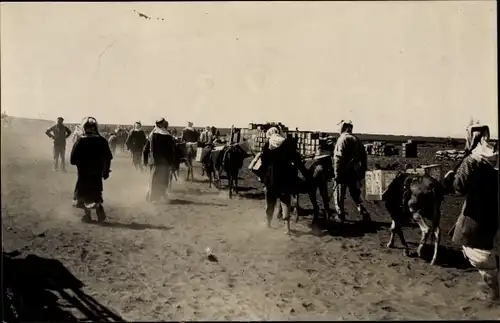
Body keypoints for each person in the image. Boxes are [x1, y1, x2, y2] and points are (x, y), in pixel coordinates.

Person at [444, 124, 499, 302]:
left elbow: (458, 187)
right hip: (493, 210)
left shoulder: (473, 160)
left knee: (478, 253)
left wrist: (450, 176)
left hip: (477, 216)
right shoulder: (493, 156)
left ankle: (494, 294)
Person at [260, 127, 312, 234]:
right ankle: (287, 228)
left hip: (271, 179)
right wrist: (307, 175)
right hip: (285, 178)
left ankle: (268, 224)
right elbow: (298, 162)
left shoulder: (267, 145)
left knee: (270, 202)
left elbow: (263, 162)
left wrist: (263, 177)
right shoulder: (286, 144)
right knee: (285, 202)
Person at [70, 117, 112, 222]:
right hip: (97, 172)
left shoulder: (80, 141)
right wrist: (106, 171)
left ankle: (87, 215)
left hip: (83, 173)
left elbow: (72, 160)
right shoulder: (102, 141)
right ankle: (98, 210)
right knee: (96, 191)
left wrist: (81, 163)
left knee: (84, 194)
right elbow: (108, 157)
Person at [332, 120, 371, 222]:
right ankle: (363, 211)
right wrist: (362, 171)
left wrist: (337, 174)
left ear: (343, 128)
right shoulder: (356, 139)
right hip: (355, 172)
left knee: (339, 193)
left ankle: (340, 214)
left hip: (343, 172)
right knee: (355, 193)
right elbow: (364, 157)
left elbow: (338, 158)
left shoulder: (342, 139)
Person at [143, 118, 177, 203]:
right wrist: (171, 162)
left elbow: (146, 149)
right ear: (162, 125)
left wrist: (145, 160)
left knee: (153, 179)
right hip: (164, 162)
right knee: (163, 179)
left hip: (154, 161)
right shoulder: (167, 135)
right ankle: (156, 197)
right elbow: (171, 150)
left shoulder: (152, 134)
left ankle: (151, 196)